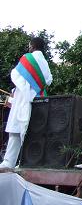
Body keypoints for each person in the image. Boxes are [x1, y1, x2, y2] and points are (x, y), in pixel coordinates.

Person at [0, 37, 53, 169]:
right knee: (32, 132)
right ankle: (26, 162)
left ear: (32, 46)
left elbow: (15, 74)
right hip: (38, 98)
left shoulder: (28, 58)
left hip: (23, 98)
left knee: (16, 130)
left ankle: (8, 162)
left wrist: (21, 88)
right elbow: (48, 80)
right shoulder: (45, 63)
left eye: (29, 45)